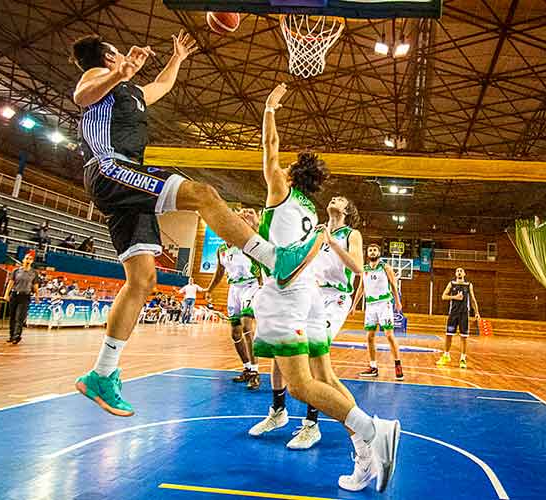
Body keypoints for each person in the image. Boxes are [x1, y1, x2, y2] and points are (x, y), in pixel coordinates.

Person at [70, 33, 322, 417]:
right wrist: (116, 72)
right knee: (203, 194)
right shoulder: (97, 76)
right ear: (107, 55)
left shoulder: (131, 91)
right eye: (117, 53)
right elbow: (82, 96)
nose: (123, 56)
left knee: (142, 282)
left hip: (122, 181)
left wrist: (177, 58)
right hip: (110, 167)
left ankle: (101, 374)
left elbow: (160, 86)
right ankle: (273, 258)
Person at [247, 83, 400, 493]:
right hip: (311, 295)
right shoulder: (311, 212)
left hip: (295, 294)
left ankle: (368, 430)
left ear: (291, 175)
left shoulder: (281, 194)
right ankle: (362, 447)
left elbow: (270, 147)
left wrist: (269, 109)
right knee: (322, 372)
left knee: (302, 380)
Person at [259, 196, 364, 451]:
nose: (334, 199)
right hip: (308, 293)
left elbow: (358, 267)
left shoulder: (352, 234)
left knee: (314, 359)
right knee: (280, 348)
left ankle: (311, 425)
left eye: (340, 199)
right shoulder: (313, 230)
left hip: (334, 299)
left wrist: (330, 242)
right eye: (332, 197)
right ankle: (278, 411)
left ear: (348, 209)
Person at [205, 208, 262, 390]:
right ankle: (246, 368)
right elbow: (219, 272)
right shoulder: (221, 250)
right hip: (234, 289)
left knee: (247, 326)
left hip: (251, 285)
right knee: (235, 333)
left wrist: (251, 220)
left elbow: (261, 240)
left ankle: (255, 371)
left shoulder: (245, 242)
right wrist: (210, 289)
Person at [352, 244, 404, 380]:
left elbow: (393, 284)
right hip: (370, 305)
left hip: (384, 304)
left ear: (379, 252)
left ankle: (398, 365)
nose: (373, 252)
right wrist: (354, 306)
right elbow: (360, 288)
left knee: (389, 335)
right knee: (369, 337)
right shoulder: (364, 269)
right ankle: (373, 367)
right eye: (370, 250)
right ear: (367, 253)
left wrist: (397, 301)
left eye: (375, 250)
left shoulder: (385, 267)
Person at [437, 267, 481, 369]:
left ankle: (463, 358)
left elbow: (473, 300)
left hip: (464, 314)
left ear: (464, 274)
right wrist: (454, 297)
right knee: (448, 335)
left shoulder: (468, 285)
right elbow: (443, 296)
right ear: (455, 274)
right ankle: (446, 355)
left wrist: (477, 312)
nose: (459, 272)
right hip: (453, 314)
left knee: (464, 337)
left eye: (461, 271)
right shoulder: (451, 284)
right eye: (458, 271)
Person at [4, 251, 40, 344]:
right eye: (27, 258)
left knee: (19, 317)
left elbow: (35, 286)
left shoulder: (34, 273)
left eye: (30, 259)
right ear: (23, 260)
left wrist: (37, 296)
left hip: (25, 296)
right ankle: (12, 335)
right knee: (12, 316)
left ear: (32, 261)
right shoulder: (16, 271)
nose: (28, 260)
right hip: (15, 295)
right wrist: (6, 294)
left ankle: (17, 336)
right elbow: (11, 283)